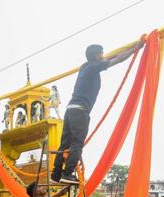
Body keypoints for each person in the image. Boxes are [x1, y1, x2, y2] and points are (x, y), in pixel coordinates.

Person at [51, 42, 143, 185]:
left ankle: (56, 173)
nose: (103, 55)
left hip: (70, 110)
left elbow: (109, 57)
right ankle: (67, 174)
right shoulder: (94, 67)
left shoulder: (85, 67)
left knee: (65, 143)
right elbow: (116, 60)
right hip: (80, 111)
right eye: (101, 53)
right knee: (77, 143)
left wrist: (127, 47)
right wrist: (135, 49)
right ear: (96, 55)